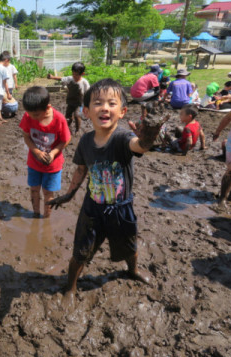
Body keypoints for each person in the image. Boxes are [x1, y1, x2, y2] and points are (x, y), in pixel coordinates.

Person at [48, 78, 168, 303]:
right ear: (86, 111)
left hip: (121, 208)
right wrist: (69, 194)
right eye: (98, 103)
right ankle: (71, 287)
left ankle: (132, 270)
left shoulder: (123, 138)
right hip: (92, 208)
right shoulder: (85, 141)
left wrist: (150, 131)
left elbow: (140, 146)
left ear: (122, 111)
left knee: (130, 245)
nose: (105, 107)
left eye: (112, 103)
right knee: (80, 252)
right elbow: (81, 170)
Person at [19, 86, 71, 218]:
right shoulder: (28, 116)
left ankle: (46, 217)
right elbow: (26, 136)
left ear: (48, 108)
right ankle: (36, 214)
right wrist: (36, 151)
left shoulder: (59, 119)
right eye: (29, 114)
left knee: (48, 193)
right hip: (34, 163)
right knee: (34, 189)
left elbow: (66, 140)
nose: (32, 118)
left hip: (53, 165)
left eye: (36, 115)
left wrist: (53, 153)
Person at [47, 62, 90, 134]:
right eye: (73, 74)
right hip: (70, 101)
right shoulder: (70, 79)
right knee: (68, 115)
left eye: (76, 75)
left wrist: (87, 104)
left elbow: (88, 93)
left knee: (77, 115)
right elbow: (61, 79)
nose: (74, 76)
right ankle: (66, 128)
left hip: (79, 103)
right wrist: (52, 77)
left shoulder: (84, 82)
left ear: (82, 74)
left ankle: (77, 130)